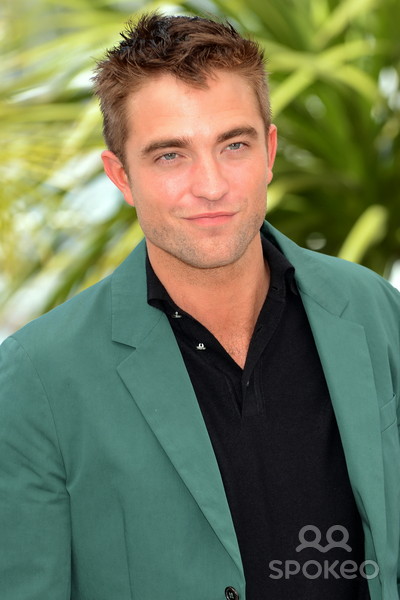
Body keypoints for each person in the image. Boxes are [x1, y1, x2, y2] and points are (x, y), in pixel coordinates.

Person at [0, 13, 399, 600]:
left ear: (269, 151)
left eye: (233, 145)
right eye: (170, 155)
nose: (211, 185)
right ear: (121, 176)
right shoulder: (38, 376)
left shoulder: (374, 310)